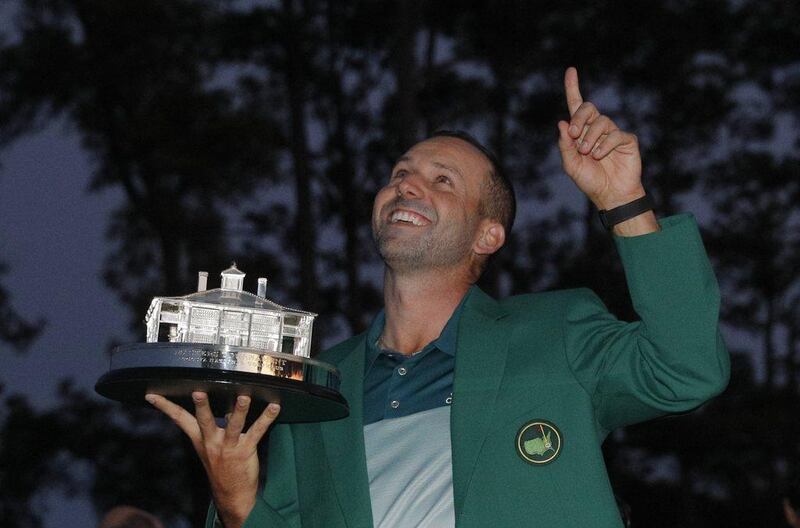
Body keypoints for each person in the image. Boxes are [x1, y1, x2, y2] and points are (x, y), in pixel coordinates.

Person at [146, 67, 729, 527]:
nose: (408, 183)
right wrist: (236, 502)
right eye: (401, 171)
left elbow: (687, 369)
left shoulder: (557, 331)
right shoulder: (318, 389)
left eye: (442, 179)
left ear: (487, 234)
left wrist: (623, 203)